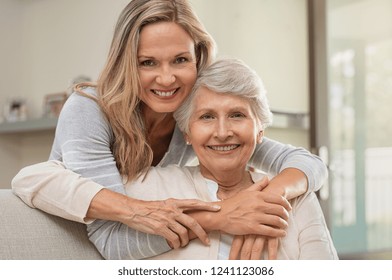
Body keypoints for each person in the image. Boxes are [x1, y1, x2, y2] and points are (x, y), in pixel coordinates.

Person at [11, 0, 327, 259]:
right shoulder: (89, 110)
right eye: (148, 62)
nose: (166, 79)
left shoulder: (192, 117)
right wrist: (223, 215)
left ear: (198, 58)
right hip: (68, 244)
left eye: (179, 60)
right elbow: (111, 241)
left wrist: (263, 201)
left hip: (141, 248)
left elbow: (309, 164)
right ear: (126, 64)